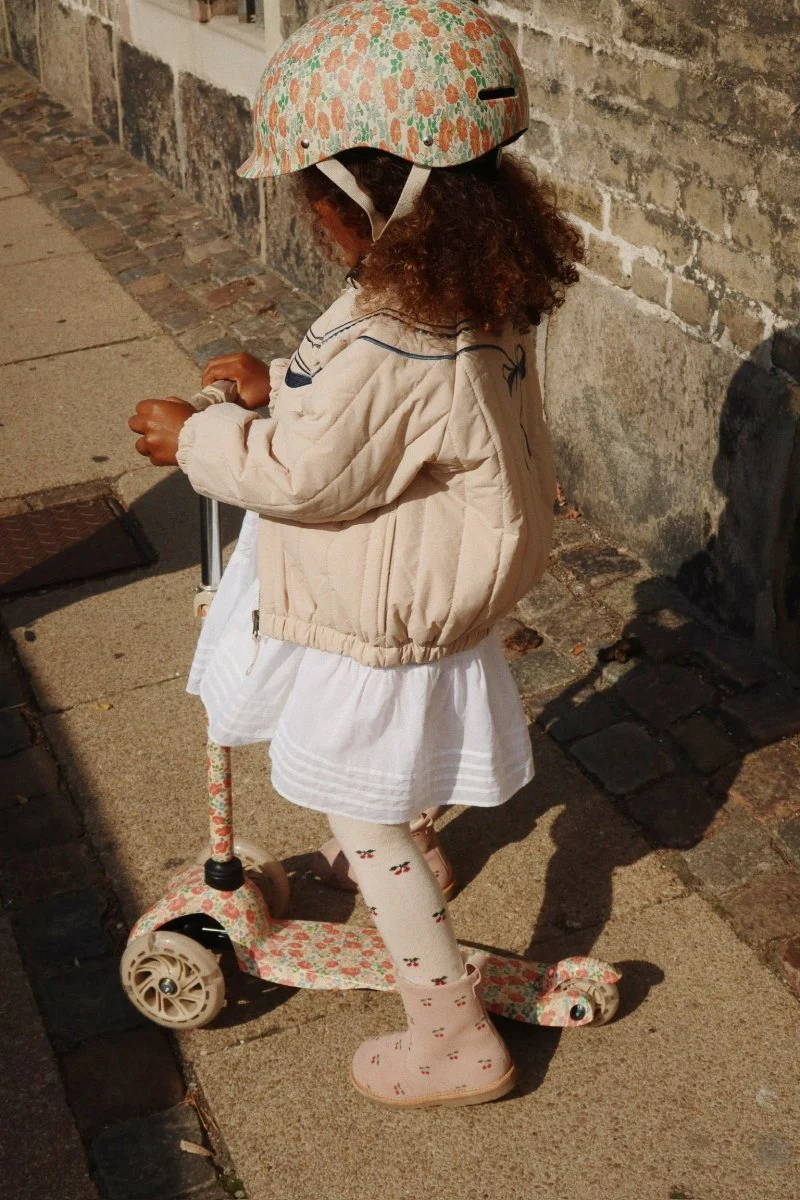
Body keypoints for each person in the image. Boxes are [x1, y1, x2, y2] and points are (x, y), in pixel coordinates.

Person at [128, 0, 583, 1108]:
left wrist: (197, 439)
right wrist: (276, 384)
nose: (319, 229)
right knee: (391, 770)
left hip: (378, 608)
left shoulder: (398, 332)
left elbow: (307, 474)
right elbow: (368, 424)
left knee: (357, 806)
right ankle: (414, 847)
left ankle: (453, 1037)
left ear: (370, 202)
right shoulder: (466, 288)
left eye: (318, 208)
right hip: (419, 578)